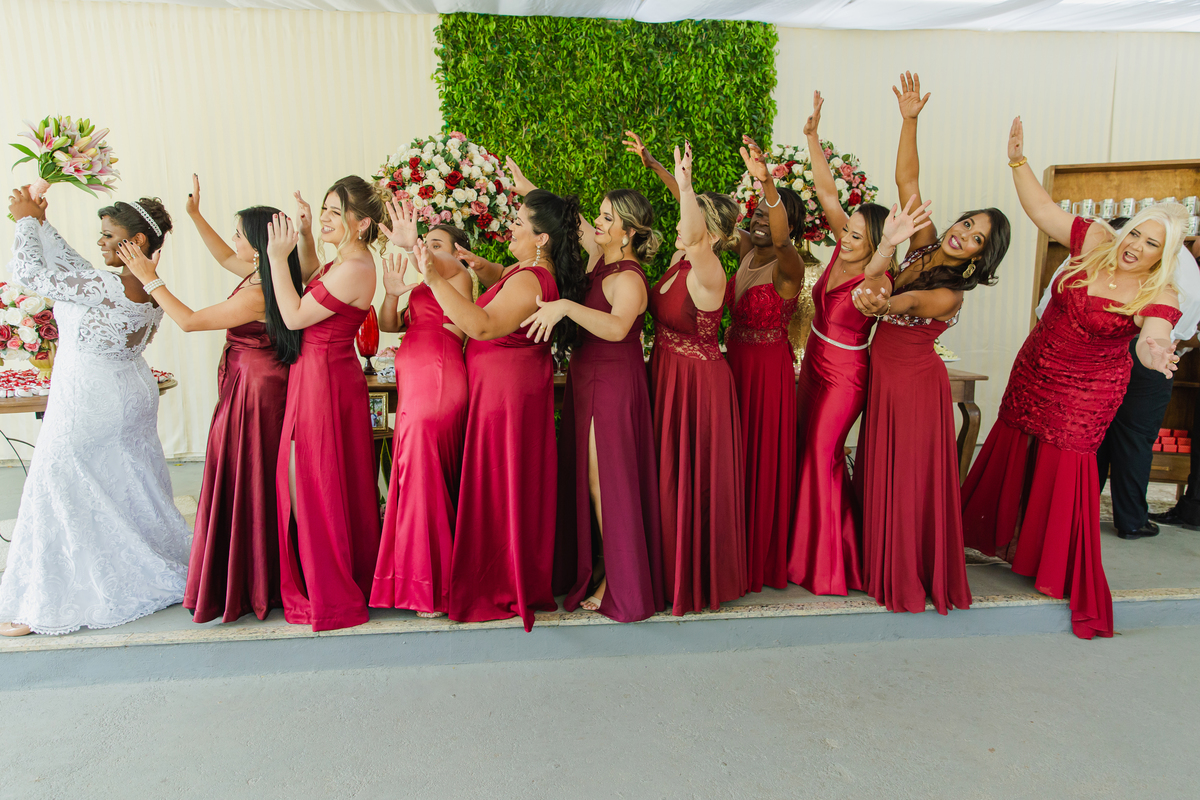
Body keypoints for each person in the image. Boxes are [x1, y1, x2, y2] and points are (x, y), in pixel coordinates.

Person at [961, 117, 1183, 640]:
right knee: (1016, 445)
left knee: (1064, 467)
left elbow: (1153, 336)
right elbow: (1042, 209)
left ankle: (1051, 563)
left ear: (1164, 254)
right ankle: (996, 537)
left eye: (1152, 243)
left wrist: (1155, 352)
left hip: (1086, 392)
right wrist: (1018, 161)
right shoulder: (1096, 239)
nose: (1137, 245)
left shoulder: (1160, 291)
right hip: (1036, 370)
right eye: (1137, 233)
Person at [852, 72, 1011, 616]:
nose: (962, 234)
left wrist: (881, 302)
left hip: (913, 389)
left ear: (979, 257)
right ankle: (880, 561)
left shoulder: (949, 294)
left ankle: (905, 573)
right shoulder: (923, 245)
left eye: (975, 238)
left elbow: (906, 302)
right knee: (883, 471)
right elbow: (907, 180)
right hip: (887, 380)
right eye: (966, 223)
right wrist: (909, 121)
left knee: (906, 482)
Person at [0, 188, 190, 636]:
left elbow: (28, 273)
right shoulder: (144, 284)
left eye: (108, 235)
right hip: (130, 391)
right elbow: (74, 266)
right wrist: (42, 224)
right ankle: (151, 561)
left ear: (137, 241)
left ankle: (46, 602)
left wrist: (24, 222)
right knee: (129, 481)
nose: (100, 241)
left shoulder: (104, 285)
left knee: (57, 483)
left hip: (89, 396)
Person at [121, 175, 303, 624]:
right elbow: (223, 255)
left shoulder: (258, 292)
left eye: (239, 233)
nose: (232, 240)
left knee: (249, 474)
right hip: (251, 380)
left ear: (257, 246)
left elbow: (189, 321)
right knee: (247, 474)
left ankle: (253, 578)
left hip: (256, 389)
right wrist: (194, 215)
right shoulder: (263, 272)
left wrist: (150, 279)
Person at [421, 187, 585, 631]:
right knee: (505, 484)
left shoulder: (531, 280)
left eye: (518, 223)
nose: (510, 227)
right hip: (506, 390)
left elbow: (483, 325)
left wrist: (435, 280)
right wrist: (484, 267)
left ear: (541, 238)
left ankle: (499, 580)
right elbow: (508, 278)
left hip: (506, 399)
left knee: (501, 484)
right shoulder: (528, 270)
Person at [515, 155, 664, 622]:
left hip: (613, 385)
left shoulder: (629, 278)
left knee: (605, 484)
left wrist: (564, 307)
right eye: (599, 214)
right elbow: (570, 221)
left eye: (606, 218)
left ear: (627, 232)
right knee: (588, 481)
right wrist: (526, 187)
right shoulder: (602, 261)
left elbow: (618, 328)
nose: (596, 223)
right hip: (588, 379)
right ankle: (601, 565)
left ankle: (619, 580)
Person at [266, 176, 385, 632]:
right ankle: (330, 573)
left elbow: (296, 314)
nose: (326, 217)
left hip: (325, 379)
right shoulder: (345, 261)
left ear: (362, 222)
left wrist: (276, 257)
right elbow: (316, 279)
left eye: (336, 211)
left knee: (315, 482)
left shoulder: (355, 266)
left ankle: (331, 585)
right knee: (322, 480)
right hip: (322, 373)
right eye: (325, 209)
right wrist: (304, 234)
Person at [788, 91, 895, 597]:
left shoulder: (877, 278)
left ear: (876, 246)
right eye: (847, 232)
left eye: (857, 237)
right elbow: (828, 194)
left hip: (846, 377)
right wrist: (813, 139)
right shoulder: (840, 250)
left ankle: (832, 565)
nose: (847, 239)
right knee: (802, 450)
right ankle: (802, 549)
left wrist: (888, 247)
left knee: (823, 456)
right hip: (813, 363)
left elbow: (877, 281)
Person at [1035, 222, 1200, 540]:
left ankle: (1079, 513)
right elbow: (1187, 321)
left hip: (1098, 354)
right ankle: (1131, 520)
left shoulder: (1091, 249)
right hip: (1149, 352)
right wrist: (1171, 342)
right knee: (1133, 438)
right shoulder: (1180, 261)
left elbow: (1046, 307)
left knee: (1088, 437)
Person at [646, 142, 748, 615]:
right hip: (667, 373)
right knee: (666, 475)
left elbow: (694, 232)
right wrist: (662, 171)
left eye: (693, 220)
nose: (682, 225)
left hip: (697, 387)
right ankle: (663, 566)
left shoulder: (709, 271)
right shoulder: (680, 259)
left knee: (690, 479)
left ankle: (692, 575)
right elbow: (689, 227)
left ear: (712, 234)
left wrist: (686, 186)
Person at [370, 200, 472, 619]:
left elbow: (437, 264)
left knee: (423, 473)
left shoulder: (458, 275)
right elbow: (389, 324)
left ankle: (433, 587)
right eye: (425, 242)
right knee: (412, 472)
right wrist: (393, 295)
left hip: (438, 376)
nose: (426, 249)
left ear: (457, 252)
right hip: (415, 383)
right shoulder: (422, 287)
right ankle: (414, 579)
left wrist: (417, 247)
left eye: (436, 244)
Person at [720, 135, 807, 592]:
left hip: (767, 373)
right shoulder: (746, 252)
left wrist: (768, 183)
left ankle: (758, 557)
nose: (756, 220)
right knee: (731, 458)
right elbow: (707, 221)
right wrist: (667, 173)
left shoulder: (789, 267)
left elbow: (781, 236)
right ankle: (729, 550)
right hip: (732, 364)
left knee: (759, 459)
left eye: (766, 215)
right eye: (754, 213)